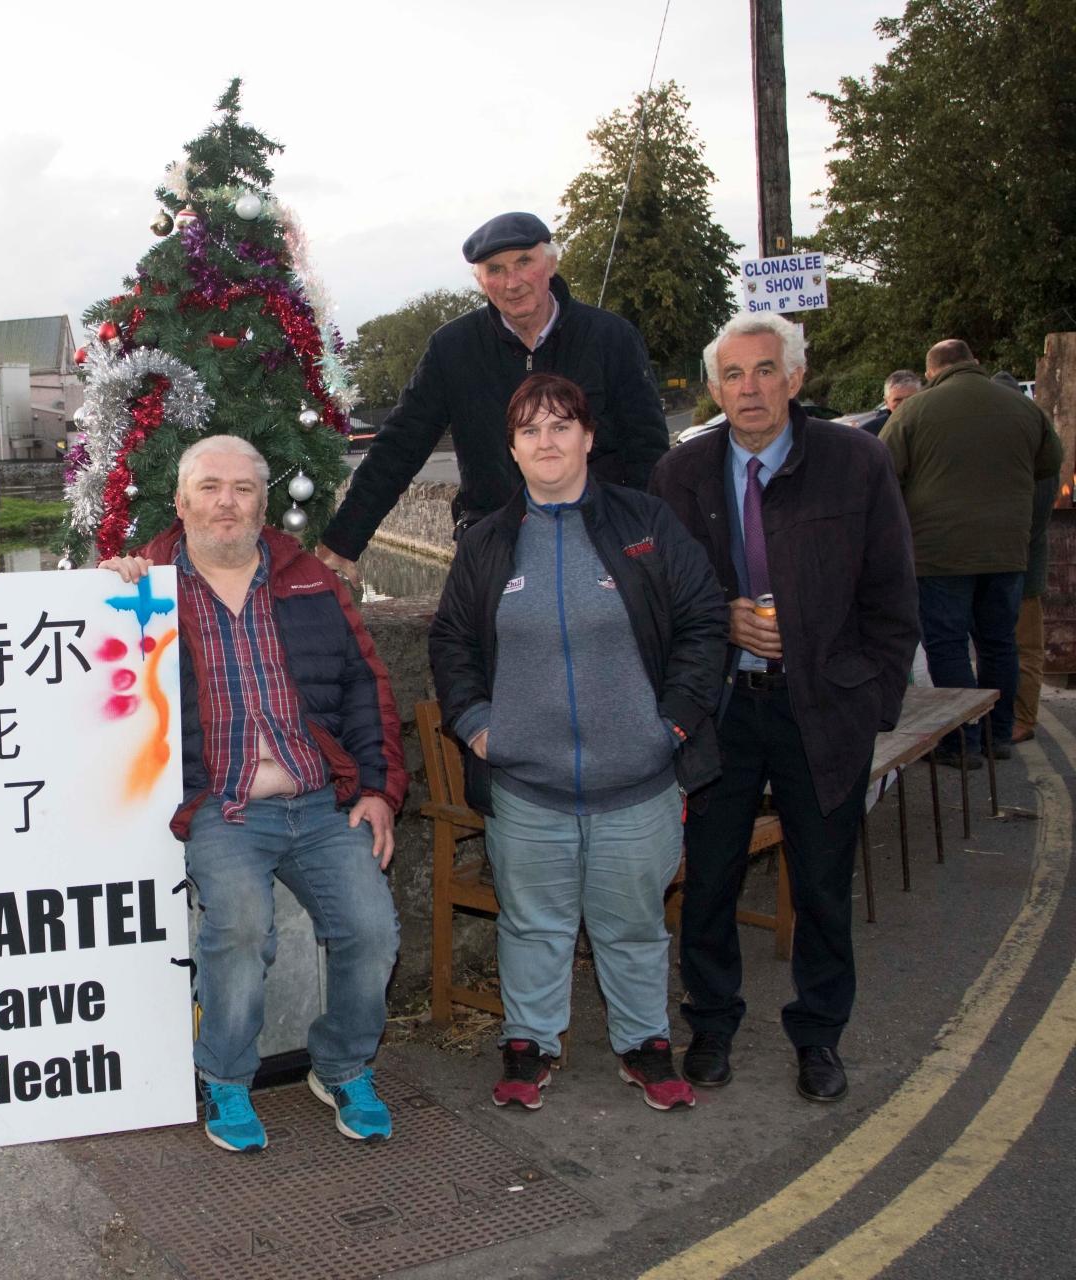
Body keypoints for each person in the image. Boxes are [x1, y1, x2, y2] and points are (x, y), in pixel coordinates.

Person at [427, 374, 726, 1112]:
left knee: (633, 924)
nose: (548, 441)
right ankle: (529, 1043)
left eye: (562, 425)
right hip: (529, 786)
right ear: (513, 448)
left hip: (640, 778)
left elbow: (703, 622)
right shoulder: (490, 542)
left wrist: (674, 725)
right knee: (533, 923)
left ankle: (644, 1045)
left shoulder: (644, 524)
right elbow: (451, 642)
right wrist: (477, 727)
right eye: (530, 430)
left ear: (589, 437)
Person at [100, 435, 406, 1152]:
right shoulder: (144, 586)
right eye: (209, 486)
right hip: (223, 806)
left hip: (318, 798)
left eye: (243, 487)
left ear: (265, 503)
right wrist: (105, 585)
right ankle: (227, 1080)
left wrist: (379, 789)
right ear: (180, 501)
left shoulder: (308, 578)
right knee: (238, 929)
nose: (226, 501)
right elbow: (92, 684)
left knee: (372, 930)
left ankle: (343, 1065)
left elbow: (367, 684)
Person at [649, 312, 919, 1104]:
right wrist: (720, 613)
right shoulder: (682, 473)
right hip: (724, 709)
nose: (749, 389)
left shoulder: (857, 462)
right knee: (710, 880)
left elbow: (893, 595)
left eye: (765, 371)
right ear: (713, 389)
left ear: (795, 379)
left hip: (823, 708)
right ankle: (712, 1026)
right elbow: (660, 597)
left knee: (825, 882)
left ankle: (820, 1036)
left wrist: (871, 698)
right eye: (733, 375)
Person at [317, 211, 667, 578]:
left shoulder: (610, 337)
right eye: (495, 270)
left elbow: (648, 451)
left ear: (550, 264)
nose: (512, 281)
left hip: (601, 544)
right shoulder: (453, 349)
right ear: (480, 281)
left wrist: (648, 543)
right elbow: (400, 447)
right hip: (497, 547)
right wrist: (343, 541)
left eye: (523, 262)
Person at [880, 340, 1060, 762]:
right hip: (1007, 549)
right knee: (1000, 644)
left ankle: (963, 742)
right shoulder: (1024, 408)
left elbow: (881, 467)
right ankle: (998, 735)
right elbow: (1050, 462)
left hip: (941, 552)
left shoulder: (915, 410)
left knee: (947, 645)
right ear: (974, 363)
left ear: (931, 372)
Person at [997, 373, 1064, 743]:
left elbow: (1037, 515)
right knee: (1009, 644)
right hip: (1009, 561)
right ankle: (1015, 715)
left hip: (1020, 564)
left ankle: (1023, 717)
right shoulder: (1031, 442)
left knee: (1024, 645)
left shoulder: (1033, 447)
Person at [855, 370, 922, 436]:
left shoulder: (930, 425)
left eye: (911, 398)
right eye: (898, 400)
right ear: (886, 402)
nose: (904, 404)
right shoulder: (869, 433)